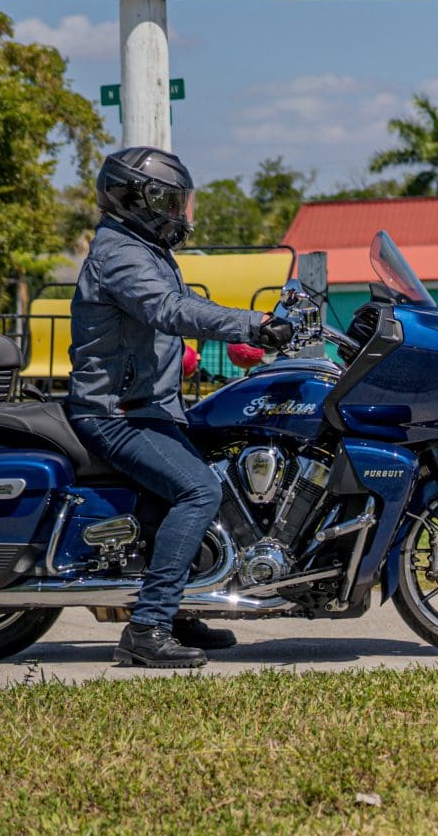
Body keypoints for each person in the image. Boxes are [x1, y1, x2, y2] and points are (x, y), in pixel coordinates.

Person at [68, 146, 294, 667]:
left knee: (203, 480)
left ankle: (176, 607)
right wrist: (252, 324)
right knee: (198, 489)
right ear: (138, 199)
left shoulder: (143, 248)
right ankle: (148, 628)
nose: (179, 213)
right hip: (116, 412)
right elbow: (169, 309)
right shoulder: (120, 254)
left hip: (149, 406)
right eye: (170, 201)